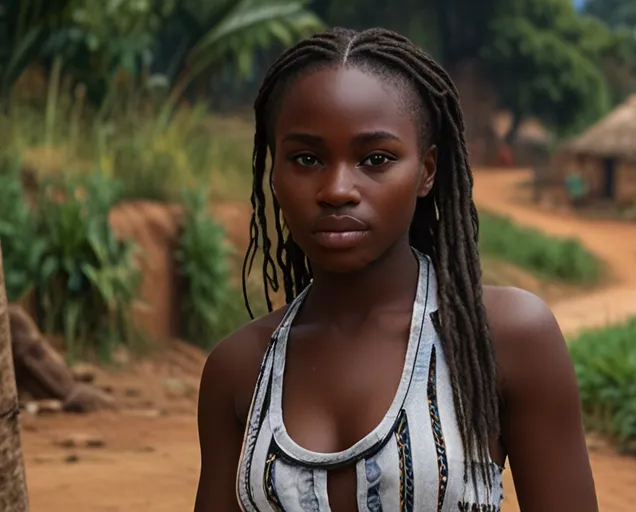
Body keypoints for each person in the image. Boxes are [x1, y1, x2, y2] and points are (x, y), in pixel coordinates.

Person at [194, 27, 598, 512]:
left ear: (427, 171)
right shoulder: (239, 369)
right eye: (306, 159)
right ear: (274, 173)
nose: (338, 188)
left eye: (375, 159)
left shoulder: (504, 337)